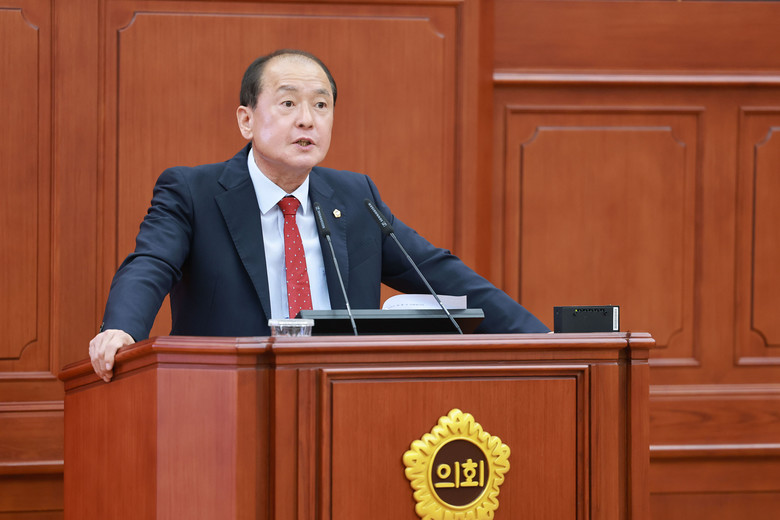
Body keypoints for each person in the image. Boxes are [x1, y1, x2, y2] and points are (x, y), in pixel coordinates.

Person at [88, 49, 549, 382]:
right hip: (223, 397)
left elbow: (436, 271)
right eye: (288, 103)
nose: (307, 119)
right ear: (247, 120)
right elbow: (151, 264)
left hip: (340, 396)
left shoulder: (356, 197)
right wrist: (122, 329)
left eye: (321, 105)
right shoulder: (194, 192)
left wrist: (541, 339)